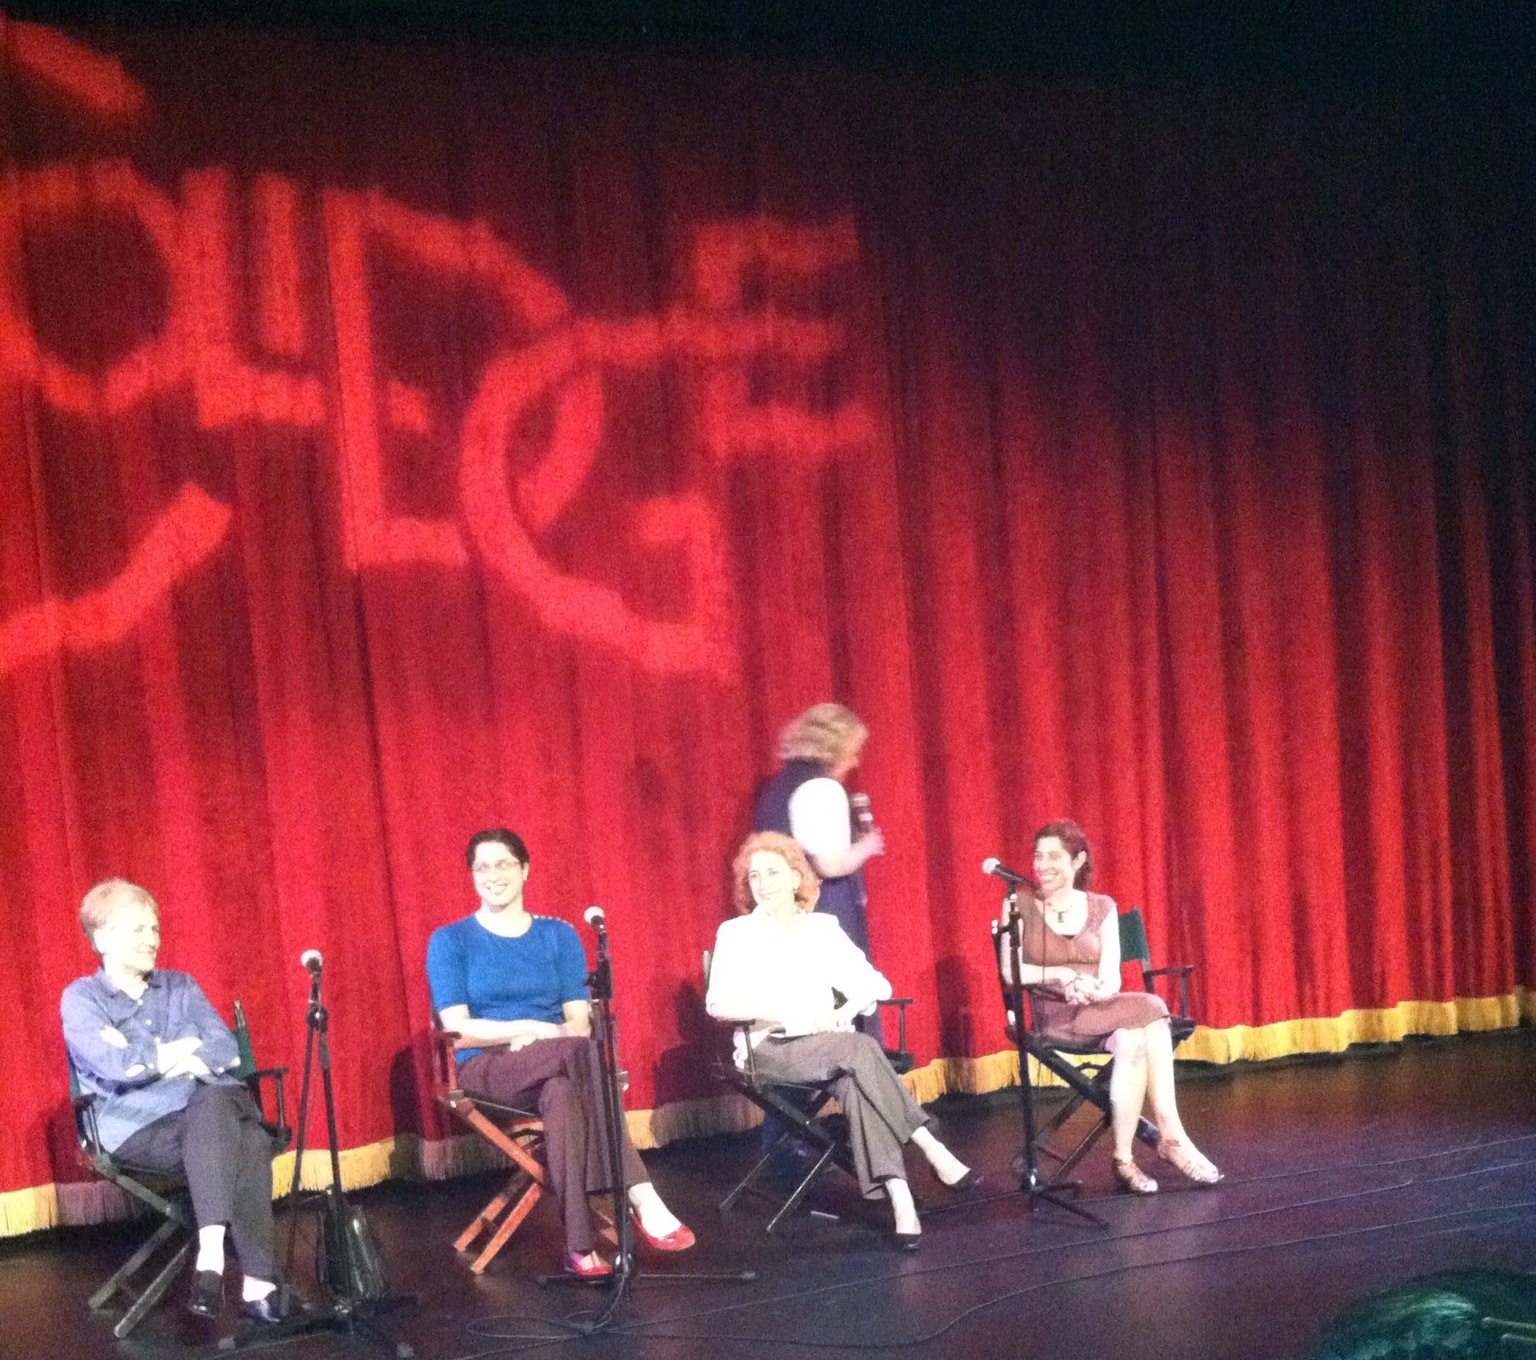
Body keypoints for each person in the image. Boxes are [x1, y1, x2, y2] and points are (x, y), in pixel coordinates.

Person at [426, 829, 694, 1278]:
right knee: (578, 1055)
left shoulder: (559, 936)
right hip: (488, 1066)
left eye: (504, 864)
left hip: (560, 1060)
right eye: (482, 867)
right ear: (471, 876)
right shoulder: (451, 940)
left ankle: (578, 1249)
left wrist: (548, 1037)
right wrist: (523, 1029)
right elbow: (457, 1028)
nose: (493, 875)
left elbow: (578, 1020)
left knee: (565, 1094)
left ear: (525, 869)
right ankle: (642, 1195)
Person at [705, 831, 978, 1250]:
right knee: (859, 1049)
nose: (763, 883)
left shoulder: (822, 928)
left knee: (855, 1080)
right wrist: (790, 1014)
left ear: (797, 878)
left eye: (773, 872)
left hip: (829, 1047)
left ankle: (901, 1199)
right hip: (769, 1050)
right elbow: (719, 1002)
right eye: (755, 875)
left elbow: (874, 984)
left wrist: (844, 1011)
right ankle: (930, 1145)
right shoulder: (737, 933)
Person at [60, 880, 291, 1324]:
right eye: (138, 930)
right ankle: (259, 1282)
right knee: (246, 1136)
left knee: (215, 1105)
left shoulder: (180, 986)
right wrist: (179, 1051)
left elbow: (227, 1051)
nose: (153, 939)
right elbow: (115, 1065)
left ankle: (210, 1259)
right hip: (138, 1126)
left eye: (155, 928)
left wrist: (151, 1059)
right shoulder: (82, 999)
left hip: (205, 1112)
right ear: (103, 938)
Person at [1000, 819, 1221, 1194]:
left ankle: (1123, 1159)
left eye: (1054, 856)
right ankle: (1171, 1134)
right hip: (1055, 1016)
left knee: (1134, 1041)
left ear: (1077, 860)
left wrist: (1093, 990)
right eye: (1038, 856)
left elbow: (1112, 980)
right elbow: (1011, 970)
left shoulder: (1102, 906)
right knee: (1153, 1007)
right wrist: (1061, 976)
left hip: (1100, 1007)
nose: (1042, 865)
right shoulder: (1017, 905)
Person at [753, 703, 883, 956]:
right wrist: (866, 847)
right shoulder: (821, 788)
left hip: (784, 925)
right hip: (823, 923)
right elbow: (829, 865)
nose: (856, 762)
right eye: (852, 752)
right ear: (834, 749)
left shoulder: (777, 789)